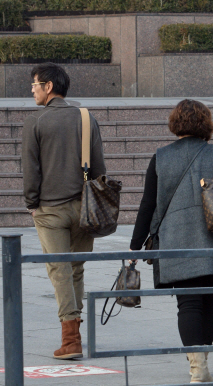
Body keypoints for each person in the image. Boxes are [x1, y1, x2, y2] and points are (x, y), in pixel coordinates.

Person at [129, 99, 213, 383]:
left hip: (177, 242)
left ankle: (197, 368)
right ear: (206, 124)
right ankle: (202, 363)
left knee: (189, 303)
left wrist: (135, 246)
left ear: (175, 124)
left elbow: (147, 205)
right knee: (210, 301)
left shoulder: (160, 157)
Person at [22, 63, 106, 359]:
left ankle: (70, 339)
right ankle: (75, 332)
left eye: (34, 84)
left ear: (48, 86)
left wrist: (32, 203)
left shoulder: (35, 122)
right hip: (84, 207)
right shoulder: (86, 117)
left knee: (59, 271)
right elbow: (99, 169)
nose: (31, 89)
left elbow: (31, 171)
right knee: (76, 269)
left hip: (50, 209)